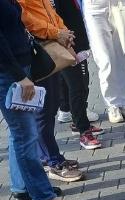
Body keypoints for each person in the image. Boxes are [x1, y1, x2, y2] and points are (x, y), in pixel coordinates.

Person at [1, 0, 77, 200]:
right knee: (26, 135)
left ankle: (23, 187)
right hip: (9, 73)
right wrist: (19, 76)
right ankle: (43, 197)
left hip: (19, 66)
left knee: (20, 133)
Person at [18, 0, 84, 182]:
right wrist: (57, 33)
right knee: (43, 111)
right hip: (36, 49)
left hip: (49, 43)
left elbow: (50, 11)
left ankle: (51, 155)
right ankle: (52, 160)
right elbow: (27, 19)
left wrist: (63, 32)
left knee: (51, 105)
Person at [54, 0, 103, 150]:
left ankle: (80, 122)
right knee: (78, 86)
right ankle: (84, 131)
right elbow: (55, 19)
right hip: (69, 44)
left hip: (76, 40)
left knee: (74, 84)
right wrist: (67, 44)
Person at [82, 0, 125, 124]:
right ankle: (112, 105)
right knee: (105, 59)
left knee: (122, 58)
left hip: (119, 4)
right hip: (94, 9)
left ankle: (123, 102)